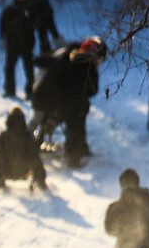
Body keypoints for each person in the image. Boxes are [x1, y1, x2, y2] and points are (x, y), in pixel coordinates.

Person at [31, 36, 106, 165]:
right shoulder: (82, 66)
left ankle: (76, 150)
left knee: (49, 121)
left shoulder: (70, 58)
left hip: (53, 97)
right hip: (52, 99)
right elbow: (86, 90)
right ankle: (72, 157)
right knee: (70, 122)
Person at [0, 106, 47, 192]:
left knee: (0, 156)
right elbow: (35, 149)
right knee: (35, 157)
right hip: (24, 170)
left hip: (6, 170)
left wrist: (0, 157)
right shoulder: (27, 137)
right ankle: (40, 181)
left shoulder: (3, 137)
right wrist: (42, 134)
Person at [0, 0, 38, 99]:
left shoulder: (30, 10)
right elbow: (2, 25)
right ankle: (10, 90)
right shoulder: (10, 10)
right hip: (12, 44)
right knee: (9, 67)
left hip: (27, 44)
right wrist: (3, 38)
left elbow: (36, 25)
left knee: (29, 68)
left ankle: (30, 91)